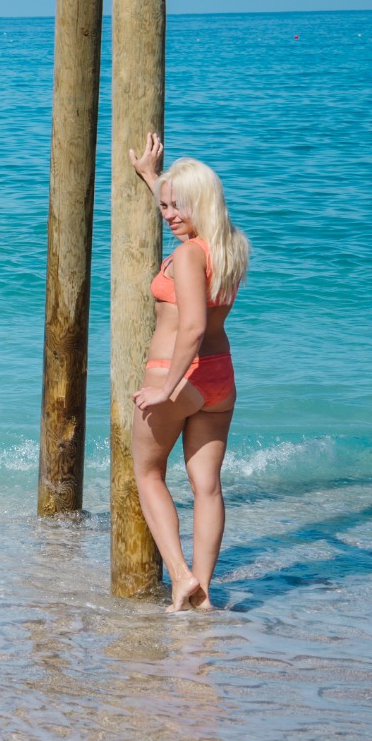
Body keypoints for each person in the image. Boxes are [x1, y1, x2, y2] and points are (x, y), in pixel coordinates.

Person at [127, 136, 251, 612]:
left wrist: (166, 389)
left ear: (201, 203)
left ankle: (179, 576)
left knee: (147, 472)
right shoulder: (232, 246)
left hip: (177, 376)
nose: (169, 214)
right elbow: (192, 204)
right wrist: (152, 175)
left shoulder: (187, 256)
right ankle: (204, 589)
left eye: (179, 207)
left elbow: (193, 327)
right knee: (207, 486)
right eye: (165, 206)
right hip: (220, 380)